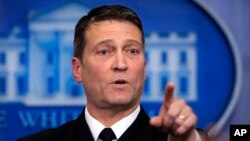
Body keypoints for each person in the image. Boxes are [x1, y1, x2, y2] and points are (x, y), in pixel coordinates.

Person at [17, 5, 210, 141]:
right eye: (104, 51)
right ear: (77, 69)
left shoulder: (177, 139)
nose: (120, 64)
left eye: (132, 51)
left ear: (144, 68)